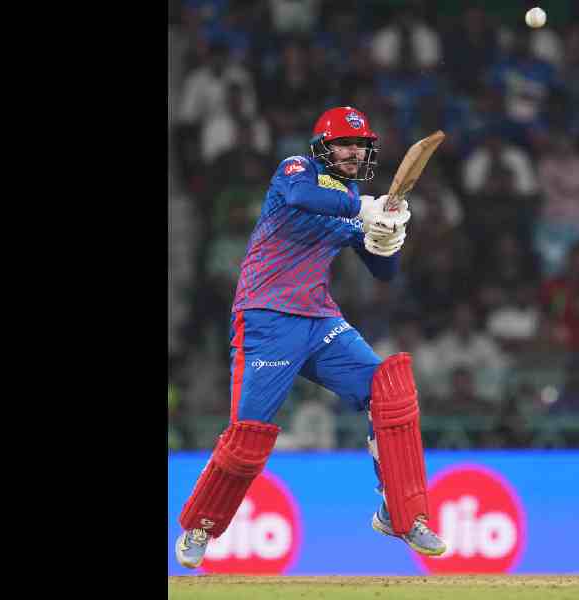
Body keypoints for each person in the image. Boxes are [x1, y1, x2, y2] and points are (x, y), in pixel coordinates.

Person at [174, 106, 446, 568]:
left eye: (360, 145)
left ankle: (400, 512)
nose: (353, 152)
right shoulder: (296, 171)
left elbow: (383, 273)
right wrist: (364, 209)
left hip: (320, 320)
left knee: (388, 388)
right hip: (266, 318)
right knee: (248, 437)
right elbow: (305, 197)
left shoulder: (355, 197)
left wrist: (387, 238)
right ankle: (201, 524)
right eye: (344, 144)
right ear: (322, 148)